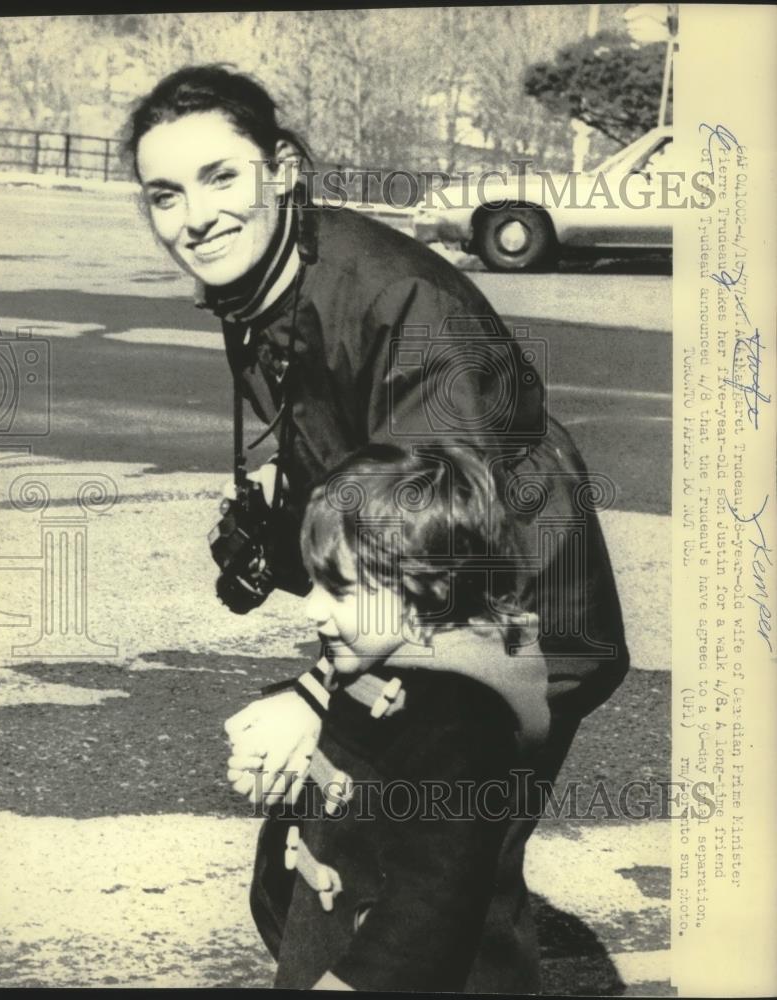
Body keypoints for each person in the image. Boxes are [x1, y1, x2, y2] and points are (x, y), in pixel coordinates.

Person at [126, 64, 630, 992]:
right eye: (165, 193)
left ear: (282, 169)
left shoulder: (400, 298)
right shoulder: (265, 277)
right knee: (313, 877)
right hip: (413, 613)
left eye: (219, 177)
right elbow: (348, 441)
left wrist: (314, 694)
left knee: (439, 899)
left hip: (510, 620)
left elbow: (444, 522)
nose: (192, 217)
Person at [261, 444, 549, 991]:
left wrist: (354, 981)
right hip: (339, 954)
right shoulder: (384, 659)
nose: (311, 608)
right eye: (314, 583)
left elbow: (436, 892)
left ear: (427, 596)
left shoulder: (462, 717)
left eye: (339, 589)